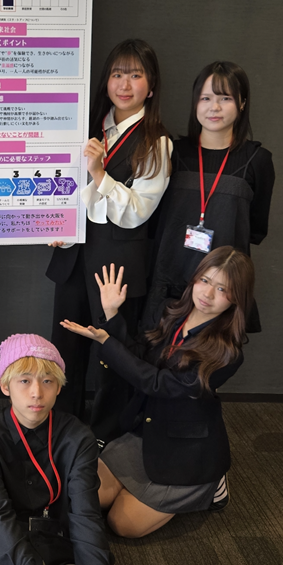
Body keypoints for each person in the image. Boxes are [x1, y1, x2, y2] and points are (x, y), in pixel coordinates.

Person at [60, 247, 254, 538]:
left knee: (122, 525)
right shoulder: (172, 311)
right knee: (87, 495)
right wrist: (111, 314)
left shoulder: (227, 353)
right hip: (146, 431)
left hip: (184, 453)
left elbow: (157, 383)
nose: (207, 294)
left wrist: (107, 342)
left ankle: (212, 485)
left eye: (222, 289)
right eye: (204, 280)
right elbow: (140, 354)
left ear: (237, 298)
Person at [46, 39, 172, 441]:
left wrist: (100, 174)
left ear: (151, 85)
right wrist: (54, 224)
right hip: (73, 255)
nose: (124, 84)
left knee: (112, 350)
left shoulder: (156, 141)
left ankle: (106, 436)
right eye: (118, 74)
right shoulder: (83, 126)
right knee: (66, 344)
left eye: (135, 75)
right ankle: (61, 426)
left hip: (117, 259)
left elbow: (138, 211)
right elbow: (57, 185)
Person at [0, 334, 112, 565]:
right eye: (24, 380)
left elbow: (86, 514)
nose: (37, 392)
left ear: (58, 387)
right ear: (5, 386)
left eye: (47, 381)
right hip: (1, 542)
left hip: (58, 538)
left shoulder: (78, 437)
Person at [143, 61, 275, 332]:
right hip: (167, 283)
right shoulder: (171, 152)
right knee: (153, 352)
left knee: (207, 357)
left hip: (221, 293)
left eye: (225, 98)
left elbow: (254, 229)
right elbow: (152, 220)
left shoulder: (257, 160)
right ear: (195, 103)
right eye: (205, 98)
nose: (214, 107)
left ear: (242, 103)